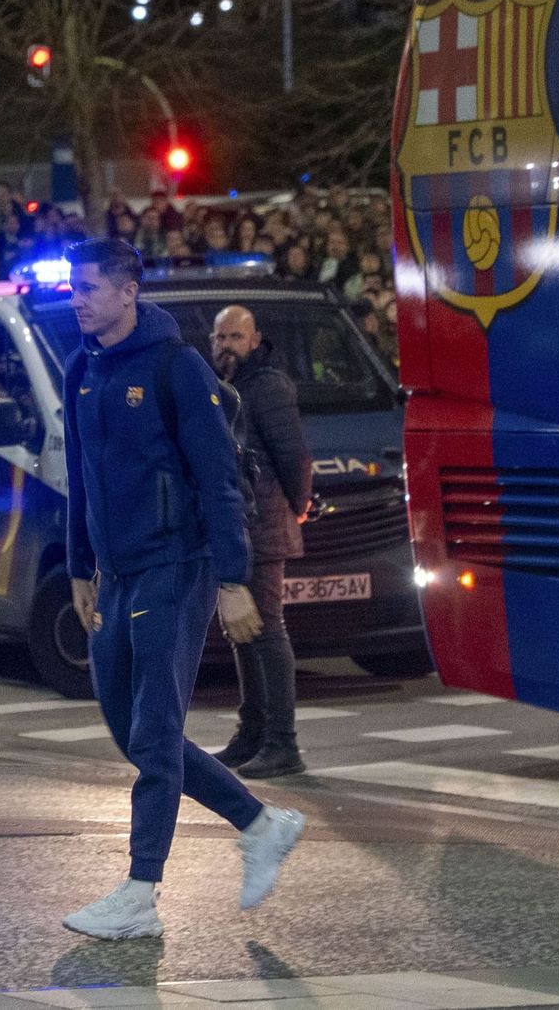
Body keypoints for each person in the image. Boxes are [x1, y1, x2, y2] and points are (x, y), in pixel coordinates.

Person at [59, 239, 303, 941]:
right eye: (74, 289)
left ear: (128, 289)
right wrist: (81, 565)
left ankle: (140, 890)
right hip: (118, 571)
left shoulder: (177, 367)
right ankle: (260, 823)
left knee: (156, 729)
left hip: (177, 566)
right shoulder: (82, 367)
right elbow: (83, 479)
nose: (77, 299)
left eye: (88, 288)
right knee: (129, 728)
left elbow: (219, 480)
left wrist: (232, 578)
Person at [209, 305, 313, 778]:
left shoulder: (266, 386)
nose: (226, 345)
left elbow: (294, 457)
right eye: (220, 337)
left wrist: (297, 505)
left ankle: (282, 742)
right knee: (243, 633)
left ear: (254, 340)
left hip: (265, 525)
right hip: (241, 525)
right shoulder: (230, 387)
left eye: (235, 336)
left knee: (267, 629)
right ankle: (252, 734)